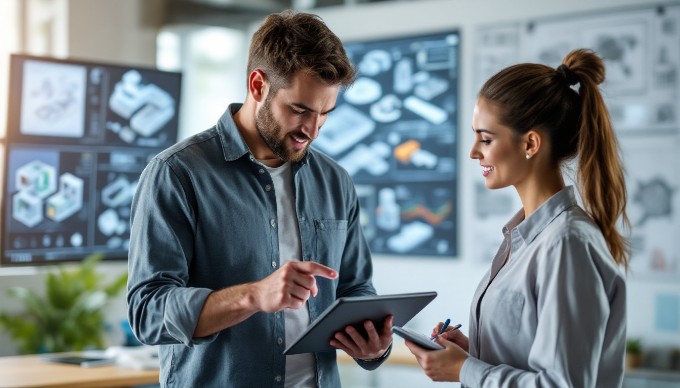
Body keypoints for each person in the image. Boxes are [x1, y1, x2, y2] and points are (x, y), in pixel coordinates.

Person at [126, 10, 393, 387]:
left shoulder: (335, 180)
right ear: (257, 85)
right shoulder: (177, 173)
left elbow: (355, 289)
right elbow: (148, 312)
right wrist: (254, 296)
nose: (312, 130)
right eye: (299, 110)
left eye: (325, 114)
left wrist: (372, 345)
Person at [405, 48, 629, 387]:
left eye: (486, 138)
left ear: (530, 144)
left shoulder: (566, 243)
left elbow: (561, 383)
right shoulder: (527, 237)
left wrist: (464, 371)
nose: (473, 152)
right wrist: (474, 353)